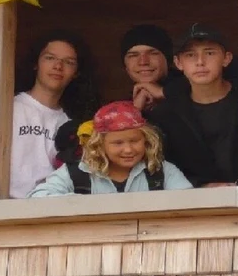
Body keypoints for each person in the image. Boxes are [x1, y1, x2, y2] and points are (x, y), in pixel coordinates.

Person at [148, 24, 238, 188]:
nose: (200, 62)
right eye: (190, 55)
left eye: (209, 53)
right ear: (178, 63)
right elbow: (157, 166)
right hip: (192, 202)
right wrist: (200, 186)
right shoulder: (165, 115)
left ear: (226, 58)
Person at [29, 101, 193, 196]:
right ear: (100, 145)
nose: (128, 150)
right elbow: (38, 197)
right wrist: (84, 205)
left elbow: (188, 202)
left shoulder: (161, 171)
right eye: (118, 143)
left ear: (146, 140)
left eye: (134, 141)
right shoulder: (78, 172)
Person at [10, 33, 96, 200]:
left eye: (69, 62)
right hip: (1, 210)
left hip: (47, 210)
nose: (58, 66)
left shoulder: (71, 125)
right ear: (36, 63)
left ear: (76, 72)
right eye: (50, 58)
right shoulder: (8, 107)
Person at [121, 23, 179, 113]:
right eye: (133, 55)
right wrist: (135, 111)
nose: (143, 62)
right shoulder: (125, 105)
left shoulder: (193, 90)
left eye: (153, 53)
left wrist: (163, 92)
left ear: (168, 60)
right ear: (126, 66)